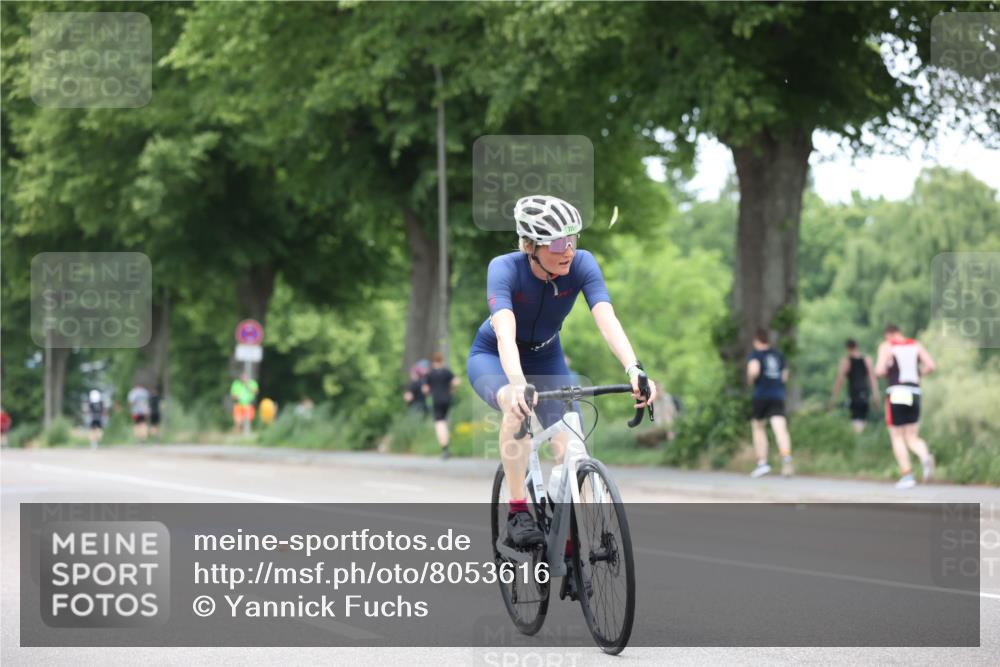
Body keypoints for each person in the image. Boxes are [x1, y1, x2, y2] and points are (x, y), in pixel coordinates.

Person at [467, 194, 656, 562]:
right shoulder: (504, 268)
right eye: (556, 242)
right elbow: (505, 333)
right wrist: (518, 383)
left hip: (549, 355)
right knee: (515, 406)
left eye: (572, 239)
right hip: (494, 356)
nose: (567, 249)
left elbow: (606, 318)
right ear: (530, 246)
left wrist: (634, 368)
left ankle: (571, 530)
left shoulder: (583, 264)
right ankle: (519, 510)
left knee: (573, 450)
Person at [874, 324, 936, 489]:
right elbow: (931, 365)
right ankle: (924, 457)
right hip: (914, 391)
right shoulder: (916, 345)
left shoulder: (887, 346)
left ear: (889, 335)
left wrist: (887, 371)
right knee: (912, 436)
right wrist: (919, 374)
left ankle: (907, 475)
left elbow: (879, 370)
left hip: (897, 391)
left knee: (897, 436)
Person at [746, 329, 794, 477]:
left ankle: (762, 463)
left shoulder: (755, 354)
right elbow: (785, 376)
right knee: (780, 428)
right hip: (777, 395)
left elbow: (754, 371)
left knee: (759, 428)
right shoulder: (778, 355)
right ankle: (786, 456)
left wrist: (750, 381)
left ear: (756, 340)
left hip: (761, 395)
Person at [829, 339, 881, 433]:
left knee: (856, 421)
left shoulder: (846, 361)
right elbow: (872, 379)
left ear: (847, 348)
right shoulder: (866, 359)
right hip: (865, 394)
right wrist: (875, 395)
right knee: (862, 420)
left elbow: (840, 380)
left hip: (855, 394)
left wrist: (833, 398)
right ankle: (859, 440)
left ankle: (857, 442)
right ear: (857, 347)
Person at [422, 352, 460, 459]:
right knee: (444, 421)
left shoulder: (429, 374)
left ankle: (445, 448)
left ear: (433, 361)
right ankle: (447, 445)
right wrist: (452, 390)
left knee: (439, 423)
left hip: (436, 400)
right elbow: (457, 381)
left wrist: (429, 393)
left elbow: (425, 389)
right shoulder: (446, 372)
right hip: (447, 399)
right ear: (441, 361)